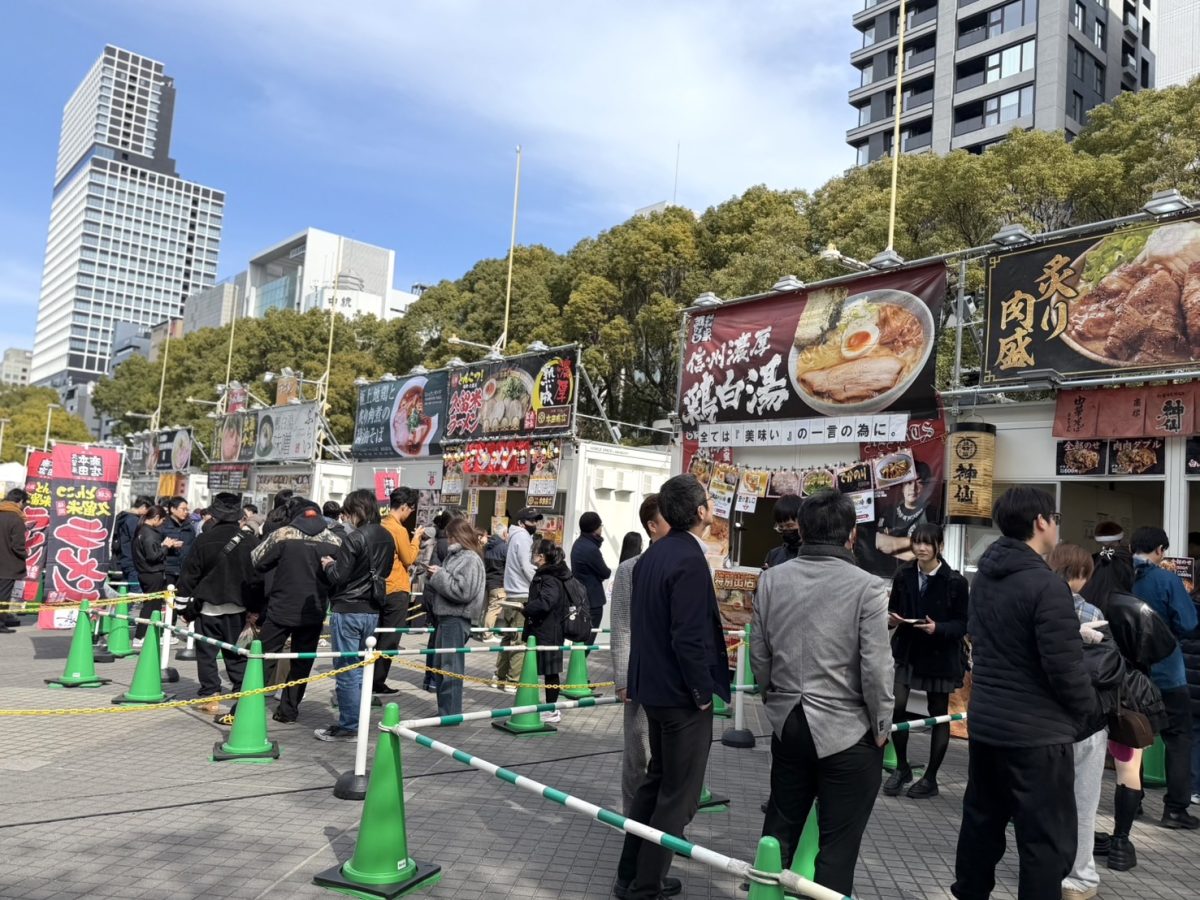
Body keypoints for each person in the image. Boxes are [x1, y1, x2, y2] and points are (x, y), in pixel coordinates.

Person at [951, 487, 1100, 900]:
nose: (1056, 525)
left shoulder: (983, 580)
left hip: (988, 727)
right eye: (1054, 517)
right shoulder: (1047, 587)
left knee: (981, 829)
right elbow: (1065, 668)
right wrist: (1087, 712)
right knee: (1043, 845)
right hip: (1037, 737)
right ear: (1040, 522)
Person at [751, 489, 893, 895]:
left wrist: (773, 699)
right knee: (837, 846)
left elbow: (759, 653)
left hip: (789, 722)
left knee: (779, 829)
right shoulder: (868, 587)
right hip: (848, 730)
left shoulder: (772, 579)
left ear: (803, 529)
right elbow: (876, 668)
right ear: (850, 536)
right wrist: (882, 724)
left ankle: (763, 892)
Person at [616, 474, 730, 900]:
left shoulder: (652, 558)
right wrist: (702, 692)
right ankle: (646, 885)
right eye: (709, 501)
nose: (712, 507)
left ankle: (630, 874)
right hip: (683, 697)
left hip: (653, 690)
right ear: (700, 512)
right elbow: (688, 635)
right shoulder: (689, 558)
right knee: (677, 798)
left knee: (655, 782)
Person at [1080, 545, 1172, 871]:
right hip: (1128, 699)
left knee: (1076, 769)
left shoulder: (1083, 606)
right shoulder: (1135, 606)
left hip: (1084, 697)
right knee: (1128, 770)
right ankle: (1120, 842)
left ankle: (1079, 838)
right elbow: (1163, 646)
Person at [1046, 544, 1113, 899]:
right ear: (1084, 576)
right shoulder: (1093, 611)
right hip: (1086, 721)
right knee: (1083, 803)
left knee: (1050, 801)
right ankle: (1080, 877)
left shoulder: (1039, 608)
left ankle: (1051, 866)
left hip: (1045, 720)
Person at [884, 522, 969, 800]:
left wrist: (939, 628)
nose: (920, 548)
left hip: (940, 653)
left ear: (939, 547)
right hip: (907, 649)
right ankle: (903, 767)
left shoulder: (955, 581)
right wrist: (891, 619)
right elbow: (892, 609)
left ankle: (931, 777)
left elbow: (961, 624)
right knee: (896, 706)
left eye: (927, 543)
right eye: (917, 542)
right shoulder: (903, 574)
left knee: (938, 713)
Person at [1129, 525, 1199, 829]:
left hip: (1129, 673)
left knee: (1132, 736)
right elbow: (1188, 623)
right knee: (1179, 738)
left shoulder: (1119, 576)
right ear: (1159, 550)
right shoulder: (1168, 580)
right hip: (1168, 673)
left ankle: (1131, 800)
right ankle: (1174, 809)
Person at [315, 489, 395, 741]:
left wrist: (328, 564)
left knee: (347, 670)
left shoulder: (355, 538)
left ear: (357, 511)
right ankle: (358, 721)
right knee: (361, 669)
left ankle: (349, 725)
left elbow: (339, 576)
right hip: (372, 610)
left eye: (347, 513)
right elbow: (387, 570)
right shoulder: (386, 536)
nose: (346, 518)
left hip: (347, 609)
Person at [251, 500, 342, 723]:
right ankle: (288, 710)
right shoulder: (335, 540)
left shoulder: (283, 534)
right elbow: (341, 574)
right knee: (302, 662)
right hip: (314, 609)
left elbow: (256, 560)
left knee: (262, 658)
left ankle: (247, 706)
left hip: (281, 607)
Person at [176, 493, 263, 718]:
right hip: (239, 608)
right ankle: (240, 695)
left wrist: (182, 609)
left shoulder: (204, 540)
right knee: (237, 654)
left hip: (207, 608)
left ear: (214, 513)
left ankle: (209, 696)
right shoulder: (251, 541)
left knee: (206, 654)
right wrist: (256, 609)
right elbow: (257, 579)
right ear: (238, 515)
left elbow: (188, 577)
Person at [610, 494, 668, 818]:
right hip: (640, 678)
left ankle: (665, 823)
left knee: (669, 758)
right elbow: (621, 626)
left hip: (674, 681)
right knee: (638, 753)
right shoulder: (629, 570)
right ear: (652, 526)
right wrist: (623, 677)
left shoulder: (686, 565)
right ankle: (634, 819)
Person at [426, 517, 486, 716]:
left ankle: (449, 713)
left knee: (450, 666)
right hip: (447, 616)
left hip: (456, 617)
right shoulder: (458, 556)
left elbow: (463, 591)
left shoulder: (469, 558)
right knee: (442, 665)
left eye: (449, 536)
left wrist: (439, 576)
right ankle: (445, 710)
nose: (447, 540)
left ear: (456, 536)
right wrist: (438, 574)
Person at [523, 540, 587, 724]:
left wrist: (526, 608)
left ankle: (552, 709)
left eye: (533, 552)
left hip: (549, 631)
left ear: (541, 557)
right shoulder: (549, 574)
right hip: (545, 630)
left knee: (550, 671)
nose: (531, 556)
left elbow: (546, 602)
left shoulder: (549, 578)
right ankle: (544, 706)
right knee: (540, 669)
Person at [375, 486, 420, 694]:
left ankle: (370, 679)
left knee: (375, 636)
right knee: (391, 638)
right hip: (397, 588)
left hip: (379, 587)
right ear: (403, 506)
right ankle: (378, 681)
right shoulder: (398, 529)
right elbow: (408, 558)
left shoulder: (380, 524)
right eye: (410, 508)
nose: (410, 513)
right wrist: (417, 538)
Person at [497, 508, 542, 692]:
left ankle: (500, 677)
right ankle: (513, 681)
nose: (535, 524)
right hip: (522, 593)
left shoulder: (514, 536)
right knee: (519, 640)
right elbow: (527, 565)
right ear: (522, 522)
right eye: (532, 521)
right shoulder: (523, 538)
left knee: (508, 638)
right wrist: (539, 581)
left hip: (511, 592)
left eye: (537, 520)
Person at [132, 505, 183, 644]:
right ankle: (140, 636)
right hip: (152, 572)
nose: (162, 524)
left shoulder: (141, 530)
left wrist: (167, 546)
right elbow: (153, 556)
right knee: (150, 605)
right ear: (156, 518)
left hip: (145, 572)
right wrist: (165, 546)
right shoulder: (149, 533)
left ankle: (152, 634)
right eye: (162, 520)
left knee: (154, 606)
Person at [571, 511, 612, 646]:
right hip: (592, 601)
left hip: (580, 597)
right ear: (595, 528)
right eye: (600, 525)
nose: (601, 528)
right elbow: (605, 572)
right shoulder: (591, 549)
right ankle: (578, 666)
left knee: (581, 638)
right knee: (587, 638)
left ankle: (577, 665)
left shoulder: (578, 544)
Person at [0, 489, 29, 634]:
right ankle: (0, 623)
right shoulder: (16, 518)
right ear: (20, 501)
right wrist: (26, 554)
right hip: (7, 565)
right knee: (3, 595)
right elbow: (17, 545)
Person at [111, 495, 152, 593]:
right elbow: (138, 539)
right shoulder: (133, 520)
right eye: (148, 511)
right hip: (133, 560)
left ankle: (124, 608)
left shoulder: (123, 516)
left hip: (125, 558)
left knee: (126, 590)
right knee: (135, 592)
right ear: (143, 507)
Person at [161, 497, 197, 594]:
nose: (186, 512)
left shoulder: (190, 527)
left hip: (184, 570)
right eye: (183, 509)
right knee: (168, 600)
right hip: (168, 570)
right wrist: (168, 545)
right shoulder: (163, 526)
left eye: (187, 509)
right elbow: (155, 548)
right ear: (172, 509)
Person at [482, 525, 509, 643]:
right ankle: (487, 635)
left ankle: (482, 631)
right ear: (504, 534)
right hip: (498, 582)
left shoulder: (486, 547)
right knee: (494, 609)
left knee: (487, 608)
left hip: (487, 581)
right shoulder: (504, 547)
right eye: (507, 533)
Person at [762, 493, 802, 569]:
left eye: (790, 526)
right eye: (781, 527)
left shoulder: (813, 556)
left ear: (804, 522)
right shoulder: (774, 555)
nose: (785, 530)